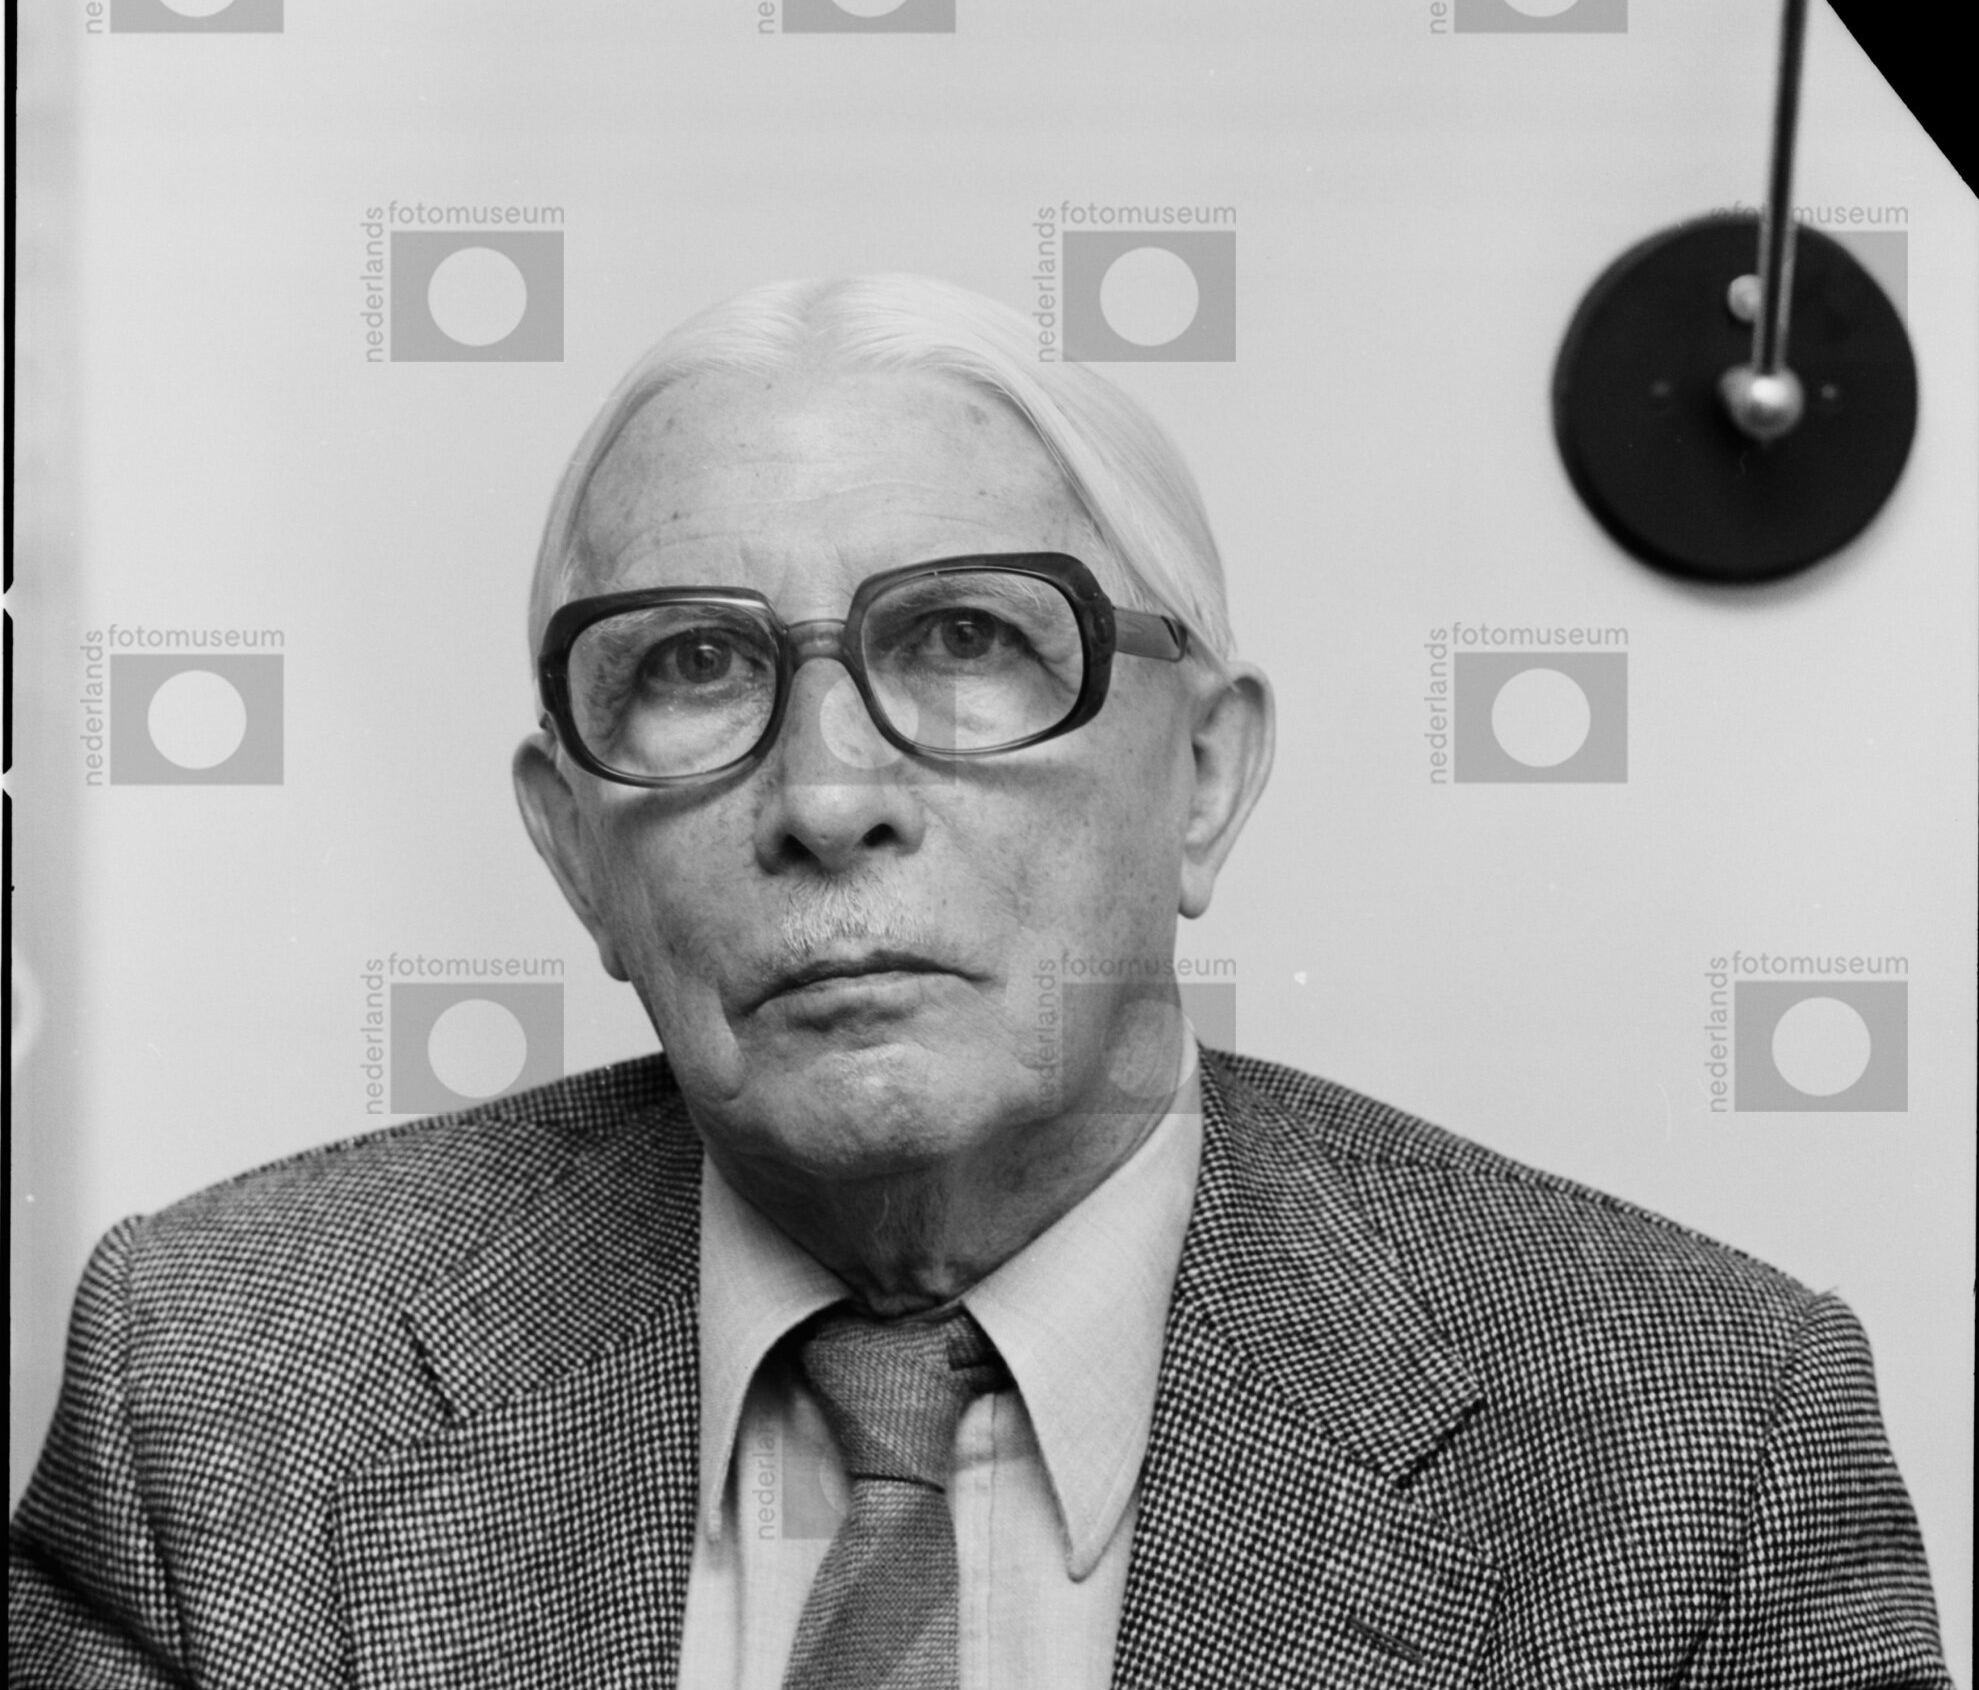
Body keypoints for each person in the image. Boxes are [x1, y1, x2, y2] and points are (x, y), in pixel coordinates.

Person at [11, 275, 1952, 1687]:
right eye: (691, 667)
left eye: (962, 641)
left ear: (1206, 779)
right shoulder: (218, 1385)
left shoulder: (1699, 1442)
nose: (825, 794)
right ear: (574, 848)